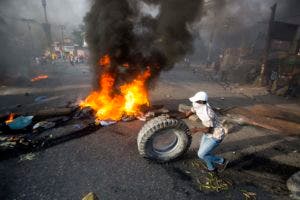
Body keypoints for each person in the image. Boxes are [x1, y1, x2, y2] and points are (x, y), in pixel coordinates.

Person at [185, 91, 228, 173]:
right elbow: (187, 114)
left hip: (216, 135)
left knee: (201, 154)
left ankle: (222, 161)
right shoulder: (197, 105)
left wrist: (196, 129)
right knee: (204, 154)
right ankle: (211, 168)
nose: (194, 102)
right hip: (208, 133)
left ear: (201, 102)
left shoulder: (207, 114)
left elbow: (209, 129)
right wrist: (172, 115)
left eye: (196, 101)